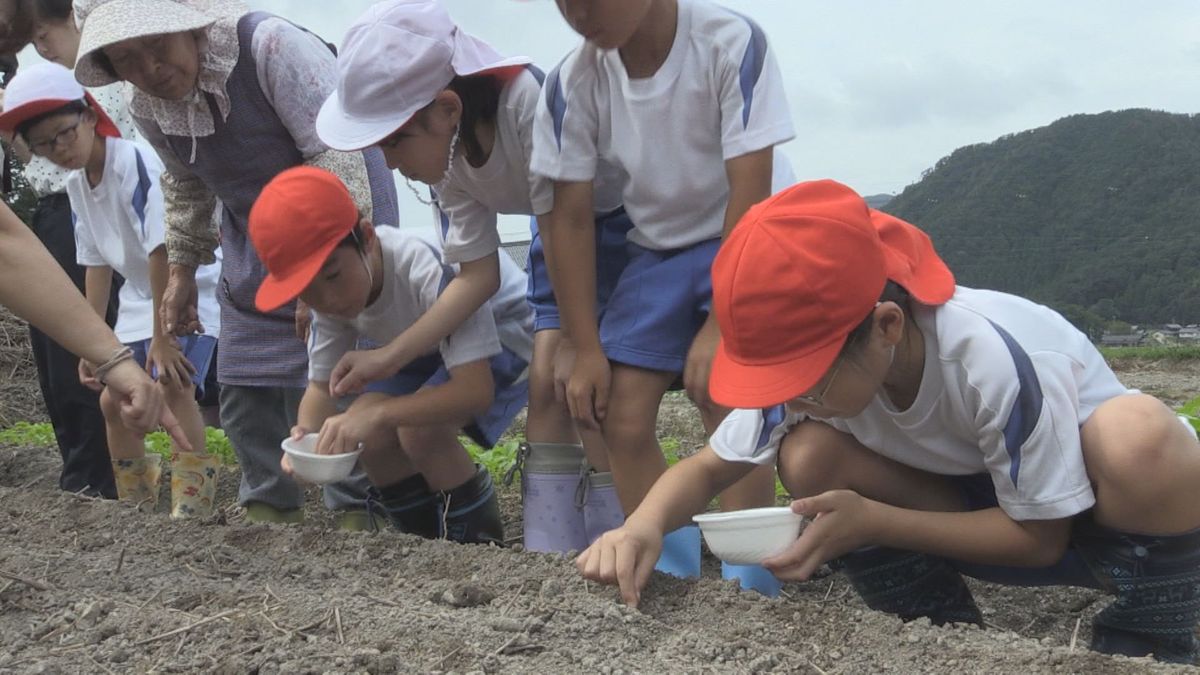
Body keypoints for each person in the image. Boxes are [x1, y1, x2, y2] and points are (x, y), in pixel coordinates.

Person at [578, 179, 1200, 665]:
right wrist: (643, 527)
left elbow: (1043, 539)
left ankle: (1149, 633)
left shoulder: (991, 362)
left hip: (1099, 517)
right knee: (809, 455)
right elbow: (711, 465)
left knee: (1136, 434)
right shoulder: (815, 377)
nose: (796, 400)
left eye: (809, 380)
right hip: (976, 507)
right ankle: (936, 629)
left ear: (886, 326)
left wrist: (873, 521)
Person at [314, 0, 630, 552]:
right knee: (545, 382)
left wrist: (582, 343)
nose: (388, 163)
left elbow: (570, 222)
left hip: (620, 231)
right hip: (553, 242)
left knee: (593, 388)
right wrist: (387, 359)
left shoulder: (529, 105)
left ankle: (620, 530)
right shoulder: (448, 163)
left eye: (393, 141)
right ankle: (551, 549)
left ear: (446, 109)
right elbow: (477, 275)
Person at [72, 0, 400, 527]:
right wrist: (181, 273)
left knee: (343, 374)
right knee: (246, 387)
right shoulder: (147, 105)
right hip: (254, 230)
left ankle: (359, 518)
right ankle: (269, 512)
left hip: (337, 217)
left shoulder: (268, 47)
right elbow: (185, 183)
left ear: (192, 26)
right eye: (126, 59)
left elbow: (334, 152)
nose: (149, 69)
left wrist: (313, 277)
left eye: (157, 45)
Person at [531, 0, 795, 592]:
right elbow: (567, 220)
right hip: (656, 249)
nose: (578, 13)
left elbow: (750, 187)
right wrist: (585, 344)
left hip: (747, 236)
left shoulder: (731, 43)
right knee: (616, 412)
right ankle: (670, 564)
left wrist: (722, 323)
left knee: (729, 398)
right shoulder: (572, 83)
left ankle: (751, 572)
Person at [250, 166, 531, 544]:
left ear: (366, 237)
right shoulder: (332, 302)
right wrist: (306, 441)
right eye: (307, 291)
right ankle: (420, 539)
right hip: (429, 350)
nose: (328, 300)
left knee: (417, 429)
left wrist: (380, 413)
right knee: (372, 432)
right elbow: (319, 388)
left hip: (506, 333)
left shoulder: (424, 267)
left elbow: (473, 391)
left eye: (333, 277)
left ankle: (475, 542)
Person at [0, 62, 222, 517]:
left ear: (88, 114)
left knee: (174, 383)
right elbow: (95, 263)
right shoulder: (77, 184)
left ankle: (195, 508)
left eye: (64, 133)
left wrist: (163, 339)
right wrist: (94, 345)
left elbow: (161, 246)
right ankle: (135, 506)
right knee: (110, 399)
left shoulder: (132, 160)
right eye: (43, 145)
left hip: (189, 288)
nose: (59, 149)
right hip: (142, 299)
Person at [0, 0, 138, 498]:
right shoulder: (48, 88)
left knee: (76, 353)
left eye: (45, 32)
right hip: (62, 211)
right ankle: (88, 473)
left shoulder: (104, 82)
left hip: (94, 212)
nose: (40, 45)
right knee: (61, 358)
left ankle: (94, 479)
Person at [0, 199, 188, 448]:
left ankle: (186, 486)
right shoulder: (80, 188)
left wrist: (114, 359)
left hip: (177, 302)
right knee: (112, 402)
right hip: (139, 307)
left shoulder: (133, 166)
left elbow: (7, 247)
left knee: (175, 388)